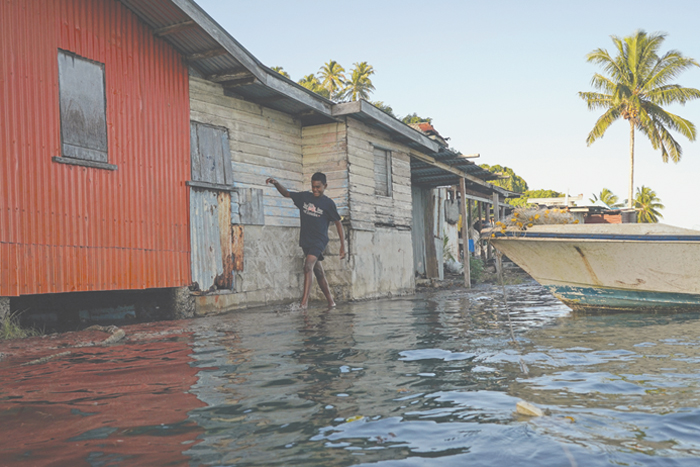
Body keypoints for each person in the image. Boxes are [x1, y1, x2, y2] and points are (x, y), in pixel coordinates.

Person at [266, 173, 346, 309]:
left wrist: (343, 246)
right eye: (313, 187)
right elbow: (286, 193)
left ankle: (304, 304)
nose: (315, 190)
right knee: (318, 272)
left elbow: (338, 223)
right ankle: (331, 302)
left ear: (325, 186)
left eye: (318, 187)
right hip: (306, 240)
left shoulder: (328, 204)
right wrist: (276, 183)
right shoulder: (304, 197)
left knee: (308, 265)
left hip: (319, 241)